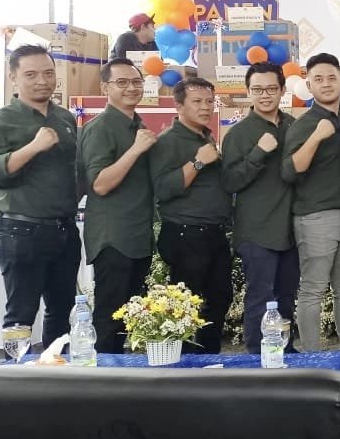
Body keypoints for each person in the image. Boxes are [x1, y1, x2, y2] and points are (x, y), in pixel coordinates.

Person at [0, 44, 81, 351]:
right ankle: (16, 376)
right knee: (21, 313)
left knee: (62, 309)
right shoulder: (0, 121)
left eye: (48, 73)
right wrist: (33, 147)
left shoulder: (64, 118)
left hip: (64, 229)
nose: (42, 81)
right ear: (13, 78)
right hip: (21, 230)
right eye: (31, 75)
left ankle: (56, 372)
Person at [281, 54, 340, 353]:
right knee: (313, 289)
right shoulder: (305, 124)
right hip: (315, 216)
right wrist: (316, 138)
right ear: (309, 85)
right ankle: (311, 357)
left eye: (331, 77)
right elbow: (290, 170)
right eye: (318, 79)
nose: (326, 84)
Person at [78, 57, 157, 353]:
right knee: (109, 318)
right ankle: (102, 377)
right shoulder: (100, 128)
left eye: (136, 82)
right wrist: (136, 150)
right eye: (121, 82)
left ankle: (120, 375)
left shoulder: (137, 124)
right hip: (113, 237)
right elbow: (100, 184)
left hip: (137, 235)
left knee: (127, 318)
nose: (131, 88)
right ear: (105, 88)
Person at [149, 77, 232, 354]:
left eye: (209, 101)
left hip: (213, 232)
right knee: (187, 305)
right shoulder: (168, 141)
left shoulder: (204, 136)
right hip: (186, 233)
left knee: (219, 298)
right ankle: (185, 364)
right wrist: (197, 162)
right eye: (197, 101)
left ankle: (208, 361)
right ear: (179, 106)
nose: (205, 107)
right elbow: (162, 189)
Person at [222, 62, 298, 354]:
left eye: (271, 89)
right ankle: (258, 357)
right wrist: (258, 152)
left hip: (291, 228)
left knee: (286, 296)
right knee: (261, 297)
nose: (264, 95)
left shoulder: (294, 126)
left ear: (282, 90)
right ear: (248, 92)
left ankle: (284, 353)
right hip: (257, 230)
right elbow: (230, 181)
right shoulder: (239, 134)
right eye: (257, 89)